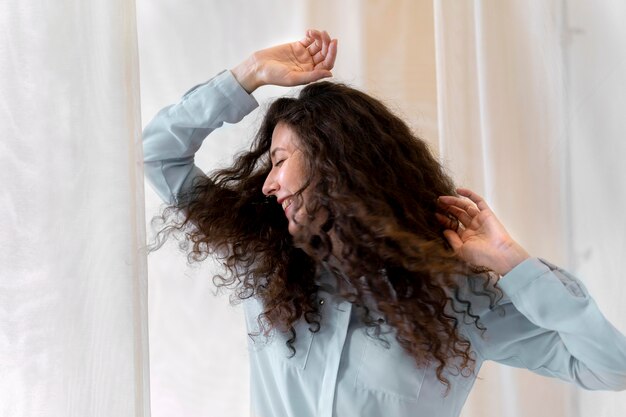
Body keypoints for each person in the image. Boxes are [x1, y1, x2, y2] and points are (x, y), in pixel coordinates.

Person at [143, 30, 626, 417]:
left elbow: (611, 368)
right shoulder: (267, 266)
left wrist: (513, 264)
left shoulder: (456, 299)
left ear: (337, 163)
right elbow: (158, 153)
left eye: (280, 160)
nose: (268, 184)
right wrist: (248, 75)